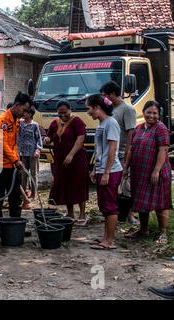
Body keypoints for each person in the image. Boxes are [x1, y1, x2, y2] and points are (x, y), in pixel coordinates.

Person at [123, 101, 172, 244]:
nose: (151, 116)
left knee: (161, 202)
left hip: (156, 172)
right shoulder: (138, 128)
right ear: (143, 112)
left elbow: (163, 150)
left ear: (159, 115)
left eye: (155, 113)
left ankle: (163, 233)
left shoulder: (160, 128)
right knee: (140, 200)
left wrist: (156, 171)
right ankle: (143, 230)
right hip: (139, 173)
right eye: (149, 112)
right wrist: (126, 167)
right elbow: (131, 150)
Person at [0, 92, 31, 237]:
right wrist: (16, 160)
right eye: (24, 110)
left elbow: (13, 144)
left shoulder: (16, 121)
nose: (25, 114)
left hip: (12, 166)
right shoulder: (1, 121)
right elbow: (3, 144)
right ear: (17, 105)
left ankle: (15, 227)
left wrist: (16, 159)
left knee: (15, 198)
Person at [86, 94, 123, 250]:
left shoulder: (111, 123)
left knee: (110, 206)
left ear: (97, 108)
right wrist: (96, 169)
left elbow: (112, 149)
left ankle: (110, 241)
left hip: (112, 171)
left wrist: (107, 172)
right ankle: (105, 237)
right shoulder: (102, 123)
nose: (88, 112)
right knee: (104, 206)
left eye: (89, 108)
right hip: (102, 169)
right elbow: (100, 150)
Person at [44, 100, 89, 223]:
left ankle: (82, 214)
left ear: (70, 110)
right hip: (60, 160)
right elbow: (50, 137)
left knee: (78, 185)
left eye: (65, 112)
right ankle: (70, 213)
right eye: (60, 113)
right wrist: (47, 139)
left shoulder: (77, 121)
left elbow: (80, 139)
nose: (62, 115)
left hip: (77, 159)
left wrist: (71, 155)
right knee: (65, 184)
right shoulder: (55, 123)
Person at [101, 81, 139, 225]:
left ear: (112, 94)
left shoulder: (127, 109)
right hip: (113, 153)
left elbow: (131, 133)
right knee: (113, 186)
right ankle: (115, 214)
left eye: (105, 94)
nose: (104, 97)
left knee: (127, 186)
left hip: (123, 153)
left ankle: (130, 215)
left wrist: (128, 155)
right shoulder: (111, 109)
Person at [18, 105, 42, 209]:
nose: (24, 114)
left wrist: (37, 150)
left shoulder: (35, 125)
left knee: (33, 174)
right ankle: (24, 193)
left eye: (26, 112)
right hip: (22, 154)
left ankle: (33, 194)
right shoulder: (20, 124)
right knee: (23, 175)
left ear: (30, 114)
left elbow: (38, 139)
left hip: (33, 154)